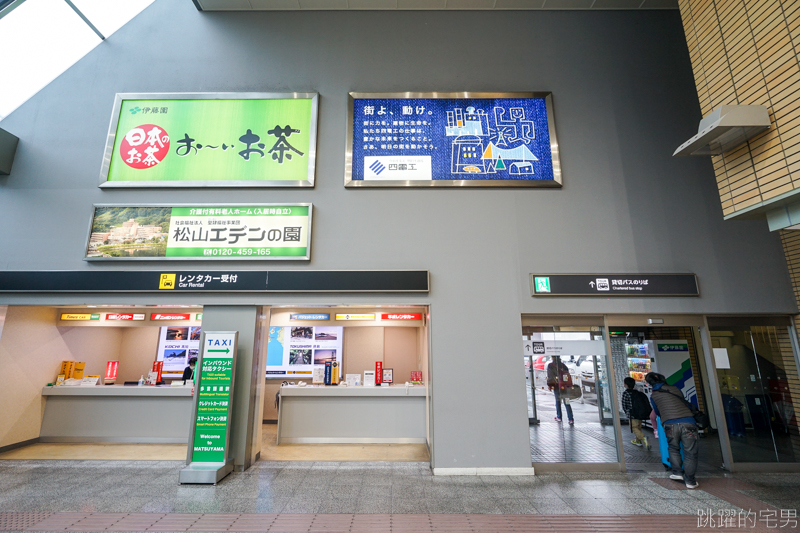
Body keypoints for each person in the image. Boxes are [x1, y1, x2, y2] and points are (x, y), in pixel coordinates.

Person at [646, 372, 699, 489]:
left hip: (670, 424)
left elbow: (657, 411)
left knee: (674, 448)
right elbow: (683, 402)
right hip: (688, 422)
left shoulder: (654, 396)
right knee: (690, 452)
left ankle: (677, 473)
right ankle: (690, 481)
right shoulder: (675, 389)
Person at [621, 377, 651, 449]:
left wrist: (627, 413)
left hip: (632, 414)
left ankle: (643, 437)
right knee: (638, 427)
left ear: (625, 384)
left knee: (634, 427)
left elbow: (624, 405)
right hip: (640, 413)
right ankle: (638, 441)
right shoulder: (637, 393)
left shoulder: (626, 393)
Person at [547, 357, 574, 424]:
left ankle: (559, 417)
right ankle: (571, 419)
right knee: (567, 402)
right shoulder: (562, 365)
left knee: (558, 401)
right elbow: (567, 373)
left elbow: (550, 376)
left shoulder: (551, 365)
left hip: (557, 386)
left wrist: (550, 385)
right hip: (564, 387)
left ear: (552, 357)